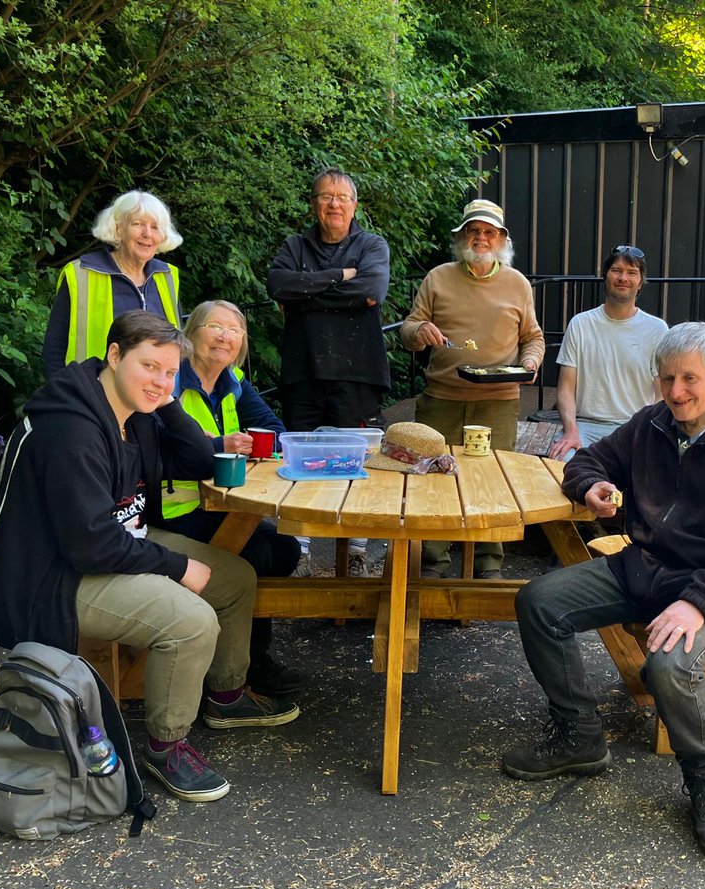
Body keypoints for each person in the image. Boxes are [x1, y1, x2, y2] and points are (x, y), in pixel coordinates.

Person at [0, 311, 299, 804]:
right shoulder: (72, 431)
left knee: (234, 577)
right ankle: (166, 745)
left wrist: (167, 405)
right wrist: (175, 566)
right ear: (113, 354)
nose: (160, 381)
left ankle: (226, 698)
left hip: (114, 545)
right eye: (149, 366)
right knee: (191, 620)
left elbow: (199, 459)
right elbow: (89, 544)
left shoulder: (137, 412)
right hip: (55, 576)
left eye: (170, 372)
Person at [502, 322, 705, 858]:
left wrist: (697, 603)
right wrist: (593, 487)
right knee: (538, 602)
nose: (675, 391)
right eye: (665, 379)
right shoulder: (652, 423)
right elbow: (585, 460)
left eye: (689, 379)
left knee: (668, 666)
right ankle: (580, 736)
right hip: (648, 566)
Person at [162, 300, 307, 698]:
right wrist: (216, 444)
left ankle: (249, 653)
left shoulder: (233, 381)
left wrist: (253, 443)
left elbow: (275, 431)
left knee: (284, 549)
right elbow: (162, 444)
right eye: (215, 327)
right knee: (253, 554)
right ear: (192, 332)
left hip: (223, 504)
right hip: (174, 508)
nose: (225, 337)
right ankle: (243, 667)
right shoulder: (171, 381)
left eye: (235, 330)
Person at [400, 199, 545, 579]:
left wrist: (530, 363)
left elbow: (533, 338)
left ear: (501, 239)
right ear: (462, 236)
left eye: (489, 232)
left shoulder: (517, 284)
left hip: (497, 401)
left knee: (493, 482)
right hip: (441, 399)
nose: (480, 238)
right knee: (433, 480)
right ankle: (432, 563)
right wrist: (419, 331)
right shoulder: (438, 278)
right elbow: (408, 331)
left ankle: (488, 564)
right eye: (473, 231)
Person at [267, 168, 390, 577]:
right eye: (325, 196)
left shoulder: (371, 245)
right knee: (299, 464)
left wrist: (307, 293)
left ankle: (354, 552)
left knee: (355, 463)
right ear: (314, 204)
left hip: (358, 373)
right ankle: (298, 551)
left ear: (354, 205)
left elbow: (371, 291)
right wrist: (339, 277)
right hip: (302, 372)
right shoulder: (294, 245)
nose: (334, 204)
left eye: (342, 197)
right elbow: (279, 285)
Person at [42, 190, 182, 378]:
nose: (147, 234)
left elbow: (176, 343)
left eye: (155, 227)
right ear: (118, 229)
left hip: (154, 397)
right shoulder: (81, 273)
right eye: (138, 224)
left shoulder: (167, 276)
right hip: (92, 395)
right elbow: (55, 347)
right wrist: (63, 397)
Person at [548, 245, 668, 462]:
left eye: (632, 273)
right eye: (617, 270)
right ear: (605, 276)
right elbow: (565, 388)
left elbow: (662, 395)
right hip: (585, 426)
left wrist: (648, 432)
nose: (623, 277)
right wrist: (571, 431)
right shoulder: (580, 324)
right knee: (562, 464)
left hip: (635, 428)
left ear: (640, 282)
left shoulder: (657, 330)